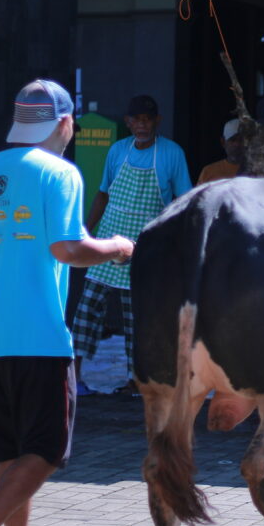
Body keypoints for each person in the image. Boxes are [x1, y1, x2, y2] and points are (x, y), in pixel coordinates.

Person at [0, 78, 134, 526]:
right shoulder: (61, 174)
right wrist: (117, 246)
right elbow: (69, 250)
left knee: (12, 452)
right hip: (35, 332)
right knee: (47, 449)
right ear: (66, 123)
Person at [73, 95, 191, 395]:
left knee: (134, 316)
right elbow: (103, 195)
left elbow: (184, 202)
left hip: (144, 247)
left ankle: (134, 379)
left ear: (157, 121)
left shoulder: (171, 154)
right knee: (87, 310)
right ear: (128, 123)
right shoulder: (117, 151)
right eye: (136, 120)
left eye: (147, 119)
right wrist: (86, 232)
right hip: (109, 240)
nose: (142, 125)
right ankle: (72, 376)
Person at [197, 118, 243, 184]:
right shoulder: (208, 171)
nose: (237, 144)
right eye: (232, 140)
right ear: (223, 142)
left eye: (242, 140)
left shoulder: (258, 171)